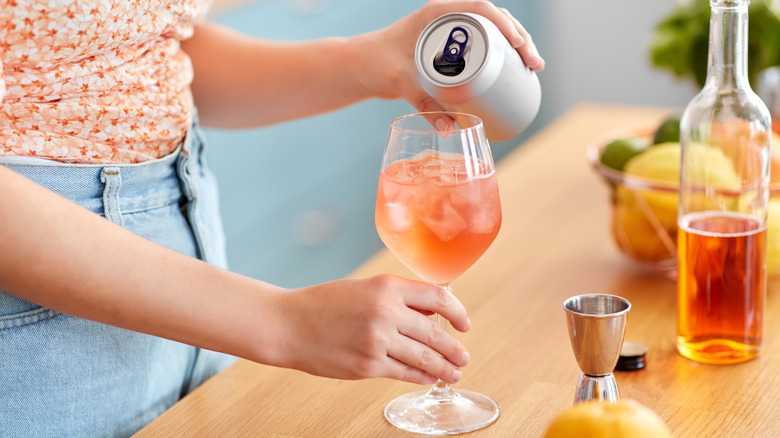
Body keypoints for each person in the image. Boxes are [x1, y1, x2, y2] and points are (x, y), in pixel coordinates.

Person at [0, 0, 545, 435]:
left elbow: (143, 51)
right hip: (39, 314)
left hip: (185, 267)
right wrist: (283, 322)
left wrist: (374, 59)